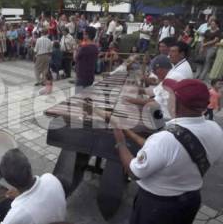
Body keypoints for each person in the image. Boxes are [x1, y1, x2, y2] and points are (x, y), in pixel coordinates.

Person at [113, 79, 223, 224]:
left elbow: (134, 172)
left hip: (158, 207)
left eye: (170, 96)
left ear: (179, 103)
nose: (167, 100)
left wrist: (120, 141)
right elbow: (169, 154)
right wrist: (130, 134)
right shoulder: (215, 129)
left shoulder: (164, 139)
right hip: (191, 201)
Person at [0, 149, 66, 224]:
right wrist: (20, 195)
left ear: (10, 183)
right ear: (30, 167)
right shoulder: (51, 178)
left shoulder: (16, 215)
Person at [74, 26, 98, 93]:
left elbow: (75, 58)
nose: (83, 35)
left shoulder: (84, 48)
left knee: (78, 97)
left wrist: (75, 49)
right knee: (87, 97)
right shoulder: (95, 47)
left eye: (84, 34)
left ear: (87, 35)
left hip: (82, 76)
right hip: (90, 76)